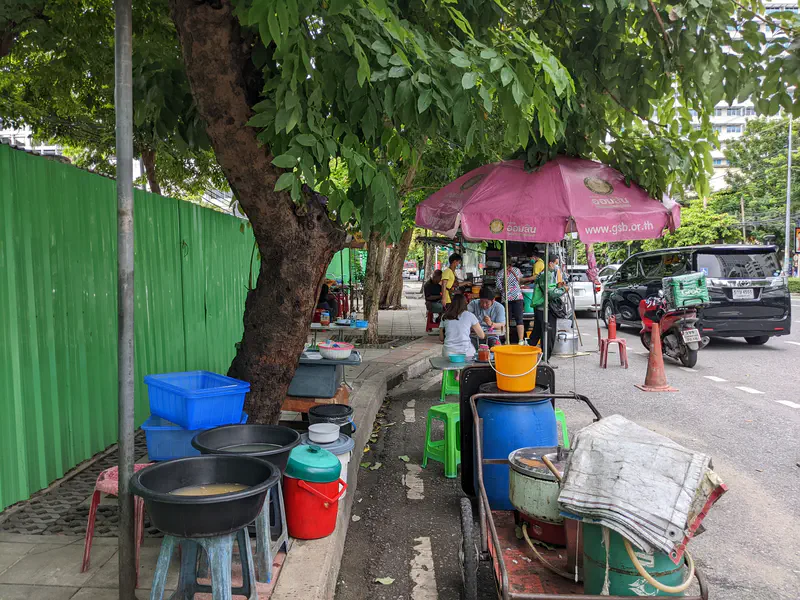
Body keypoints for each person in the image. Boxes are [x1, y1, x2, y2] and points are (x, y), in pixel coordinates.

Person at [530, 256, 568, 357]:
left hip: (539, 308)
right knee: (548, 335)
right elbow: (550, 294)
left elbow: (547, 288)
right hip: (545, 308)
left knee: (536, 333)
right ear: (550, 263)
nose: (556, 266)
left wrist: (557, 286)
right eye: (556, 263)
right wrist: (564, 290)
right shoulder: (548, 274)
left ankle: (527, 356)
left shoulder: (541, 273)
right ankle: (545, 359)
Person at [495, 262, 537, 345]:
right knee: (519, 319)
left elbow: (499, 287)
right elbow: (520, 281)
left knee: (506, 320)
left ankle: (507, 340)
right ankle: (521, 340)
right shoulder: (516, 270)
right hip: (518, 297)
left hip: (506, 298)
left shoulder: (500, 273)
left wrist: (505, 288)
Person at [439, 294, 486, 359]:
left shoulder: (444, 316)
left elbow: (441, 338)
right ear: (465, 303)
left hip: (448, 352)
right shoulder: (470, 315)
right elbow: (482, 335)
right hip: (466, 352)